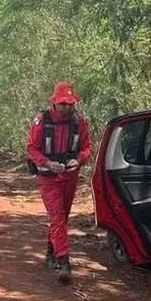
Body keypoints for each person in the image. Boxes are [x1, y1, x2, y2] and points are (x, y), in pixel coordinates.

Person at [26, 82, 93, 284]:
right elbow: (31, 148)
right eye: (63, 103)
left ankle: (51, 253)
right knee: (57, 217)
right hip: (48, 178)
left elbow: (86, 147)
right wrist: (47, 163)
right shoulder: (41, 120)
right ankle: (64, 263)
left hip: (70, 177)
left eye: (70, 104)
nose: (67, 107)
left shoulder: (78, 120)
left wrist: (79, 160)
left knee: (62, 218)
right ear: (54, 102)